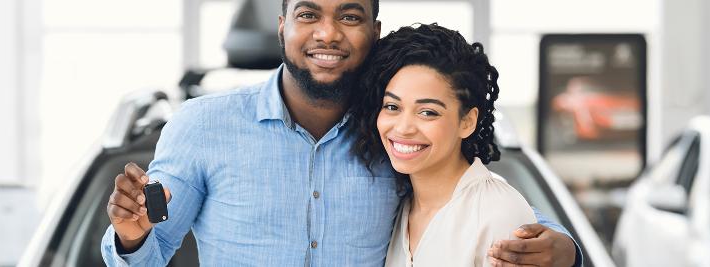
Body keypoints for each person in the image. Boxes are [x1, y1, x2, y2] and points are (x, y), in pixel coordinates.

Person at [103, 0, 582, 266]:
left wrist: (562, 246)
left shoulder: (398, 133)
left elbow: (476, 204)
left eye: (349, 16)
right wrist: (129, 238)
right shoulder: (201, 125)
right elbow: (153, 250)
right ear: (282, 25)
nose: (328, 33)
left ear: (374, 30)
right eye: (308, 14)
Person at [349, 22, 537, 266]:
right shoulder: (399, 209)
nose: (404, 127)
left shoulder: (498, 213)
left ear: (467, 122)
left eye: (427, 112)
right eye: (392, 107)